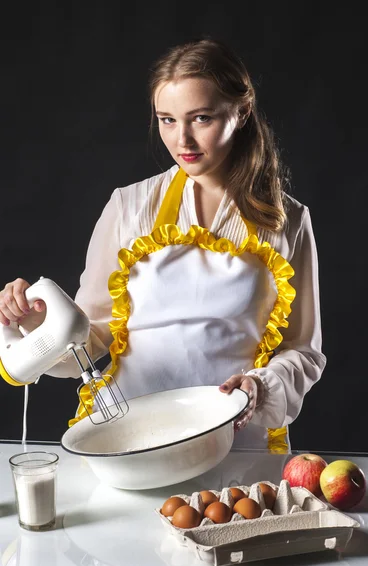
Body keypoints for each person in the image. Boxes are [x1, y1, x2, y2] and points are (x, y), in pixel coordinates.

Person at [0, 37, 326, 452]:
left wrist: (260, 387)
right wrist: (34, 323)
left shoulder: (288, 221)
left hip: (235, 437)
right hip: (130, 434)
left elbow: (304, 350)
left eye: (201, 118)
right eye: (167, 120)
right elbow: (92, 333)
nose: (182, 140)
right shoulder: (129, 207)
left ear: (242, 112)